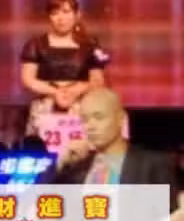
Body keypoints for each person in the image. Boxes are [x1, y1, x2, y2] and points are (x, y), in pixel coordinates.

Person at [49, 87, 178, 209]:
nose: (90, 126)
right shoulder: (77, 169)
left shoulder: (152, 165)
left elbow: (170, 218)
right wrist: (60, 164)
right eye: (85, 120)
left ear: (121, 118)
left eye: (99, 117)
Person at [20, 0, 107, 134]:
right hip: (45, 108)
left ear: (77, 14)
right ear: (49, 16)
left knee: (79, 147)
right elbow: (28, 79)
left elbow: (98, 80)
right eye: (55, 13)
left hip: (80, 108)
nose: (61, 18)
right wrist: (55, 92)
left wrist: (74, 92)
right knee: (41, 147)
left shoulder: (90, 45)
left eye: (66, 12)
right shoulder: (35, 44)